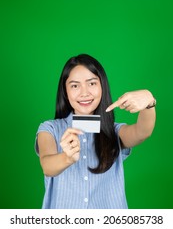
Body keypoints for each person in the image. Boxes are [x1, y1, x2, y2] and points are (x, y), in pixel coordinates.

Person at [35, 53, 156, 209]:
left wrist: (149, 101)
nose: (84, 93)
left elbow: (142, 132)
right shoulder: (49, 129)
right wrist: (67, 158)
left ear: (102, 86)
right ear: (65, 91)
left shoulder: (114, 131)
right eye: (75, 85)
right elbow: (47, 166)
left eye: (92, 83)